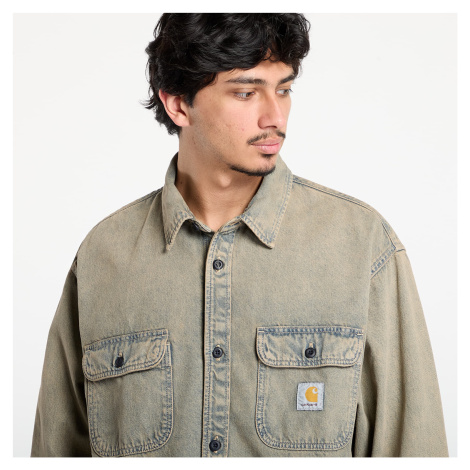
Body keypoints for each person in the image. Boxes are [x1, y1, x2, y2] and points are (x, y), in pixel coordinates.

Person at [31, 13, 448, 457]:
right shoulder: (102, 257)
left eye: (283, 89)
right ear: (178, 104)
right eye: (246, 93)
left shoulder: (362, 246)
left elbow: (413, 448)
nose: (275, 116)